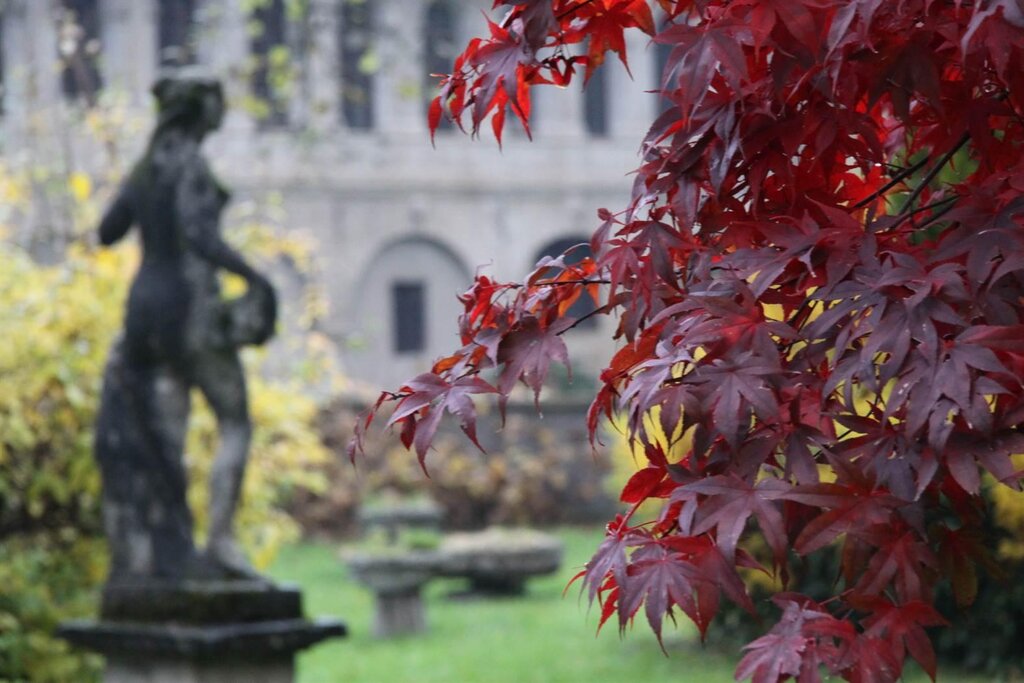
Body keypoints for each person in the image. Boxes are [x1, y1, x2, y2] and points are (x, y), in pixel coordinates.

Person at [96, 76, 276, 580]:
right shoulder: (190, 164)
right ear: (200, 109)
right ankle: (221, 542)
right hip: (189, 305)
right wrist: (254, 276)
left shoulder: (145, 168)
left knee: (163, 434)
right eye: (217, 100)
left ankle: (162, 552)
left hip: (143, 312)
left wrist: (140, 195)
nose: (224, 108)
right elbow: (199, 235)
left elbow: (107, 231)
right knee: (235, 421)